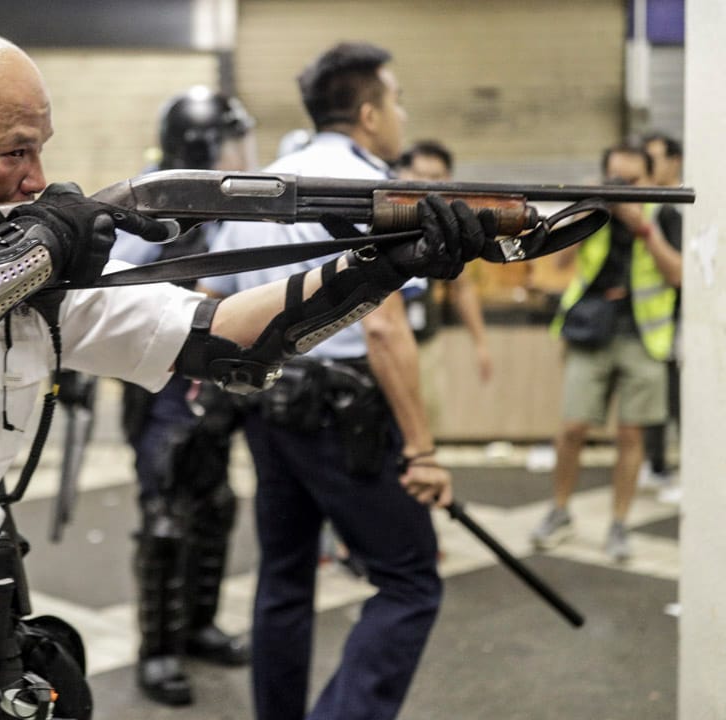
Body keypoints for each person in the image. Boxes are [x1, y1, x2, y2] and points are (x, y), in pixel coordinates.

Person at [0, 28, 490, 720]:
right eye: (13, 152)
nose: (37, 179)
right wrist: (38, 248)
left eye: (41, 148)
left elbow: (223, 342)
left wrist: (381, 266)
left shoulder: (32, 270)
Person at [200, 42, 466, 720]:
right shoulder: (375, 194)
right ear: (371, 113)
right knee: (409, 582)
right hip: (345, 408)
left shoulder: (262, 186)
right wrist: (423, 449)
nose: (402, 113)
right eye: (396, 100)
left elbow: (214, 303)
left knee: (285, 579)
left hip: (267, 401)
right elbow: (383, 329)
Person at [111, 86, 256, 706]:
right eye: (228, 140)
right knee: (166, 518)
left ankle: (197, 627)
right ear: (199, 142)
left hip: (218, 381)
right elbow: (114, 279)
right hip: (164, 381)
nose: (240, 152)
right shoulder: (154, 198)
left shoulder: (231, 204)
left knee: (215, 504)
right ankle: (159, 649)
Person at [530, 142, 682, 563]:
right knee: (572, 428)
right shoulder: (593, 212)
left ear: (649, 179)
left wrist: (642, 227)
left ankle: (619, 523)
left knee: (632, 435)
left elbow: (679, 276)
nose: (624, 189)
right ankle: (559, 511)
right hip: (590, 332)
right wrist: (581, 214)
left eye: (633, 181)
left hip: (643, 337)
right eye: (617, 180)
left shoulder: (663, 212)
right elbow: (556, 266)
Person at [396, 140, 493, 425]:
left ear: (448, 179)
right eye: (420, 175)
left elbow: (462, 288)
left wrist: (480, 344)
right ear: (404, 175)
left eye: (436, 176)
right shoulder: (389, 217)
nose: (427, 184)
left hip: (424, 342)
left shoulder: (448, 226)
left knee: (425, 422)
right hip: (377, 343)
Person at [637, 132, 683, 501]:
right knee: (659, 401)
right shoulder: (649, 206)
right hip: (654, 321)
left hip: (681, 316)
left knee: (678, 398)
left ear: (674, 160)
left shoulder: (675, 205)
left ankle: (676, 466)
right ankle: (657, 465)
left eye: (653, 159)